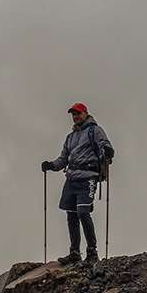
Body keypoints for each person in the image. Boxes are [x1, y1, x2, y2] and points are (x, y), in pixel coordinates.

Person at [41, 102, 114, 266]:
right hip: (72, 178)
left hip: (88, 177)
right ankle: (74, 252)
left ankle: (92, 252)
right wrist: (51, 165)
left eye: (78, 113)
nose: (75, 117)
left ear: (85, 113)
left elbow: (104, 145)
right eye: (73, 114)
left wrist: (108, 150)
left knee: (83, 212)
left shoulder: (94, 130)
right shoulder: (70, 137)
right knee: (71, 214)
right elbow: (63, 159)